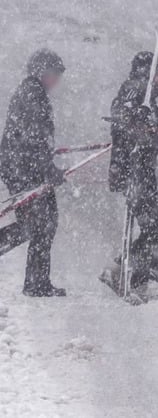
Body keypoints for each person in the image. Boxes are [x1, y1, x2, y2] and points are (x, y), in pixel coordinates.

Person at [98, 52, 158, 303]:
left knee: (156, 228)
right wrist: (144, 124)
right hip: (134, 172)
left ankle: (128, 276)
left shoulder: (143, 93)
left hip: (139, 172)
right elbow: (124, 118)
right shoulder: (135, 90)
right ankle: (124, 275)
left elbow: (148, 119)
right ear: (149, 74)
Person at [0, 50, 68, 297]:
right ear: (43, 73)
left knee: (37, 224)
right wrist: (49, 169)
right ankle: (36, 284)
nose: (57, 81)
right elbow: (34, 138)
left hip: (21, 167)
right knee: (42, 224)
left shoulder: (32, 92)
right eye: (55, 75)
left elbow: (34, 139)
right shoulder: (33, 95)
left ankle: (37, 283)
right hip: (25, 170)